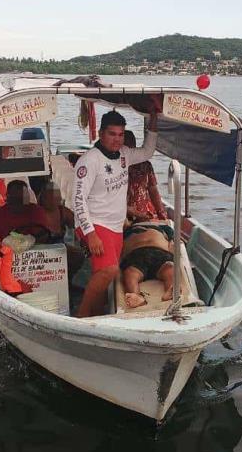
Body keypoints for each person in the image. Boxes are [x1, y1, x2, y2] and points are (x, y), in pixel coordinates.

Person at [73, 110, 158, 317]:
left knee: (103, 274)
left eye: (120, 134)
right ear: (101, 134)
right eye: (112, 134)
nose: (117, 139)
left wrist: (153, 121)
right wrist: (90, 233)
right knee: (110, 270)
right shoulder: (89, 160)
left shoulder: (124, 155)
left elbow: (147, 152)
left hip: (115, 226)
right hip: (94, 223)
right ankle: (81, 317)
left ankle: (98, 314)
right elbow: (78, 200)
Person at [120, 223, 176, 309]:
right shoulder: (126, 230)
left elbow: (172, 237)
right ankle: (136, 296)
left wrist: (171, 243)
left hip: (159, 251)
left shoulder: (162, 227)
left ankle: (170, 291)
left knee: (170, 268)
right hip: (136, 254)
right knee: (130, 273)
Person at [124, 130, 168, 223]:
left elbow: (153, 189)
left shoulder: (145, 165)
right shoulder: (114, 165)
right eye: (125, 146)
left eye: (131, 146)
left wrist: (161, 212)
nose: (128, 150)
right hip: (122, 215)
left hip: (143, 212)